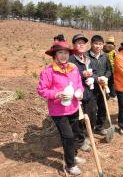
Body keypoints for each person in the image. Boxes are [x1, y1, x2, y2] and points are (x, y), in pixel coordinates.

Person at [37, 41, 86, 175]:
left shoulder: (73, 68)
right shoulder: (48, 72)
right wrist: (57, 94)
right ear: (55, 55)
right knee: (68, 136)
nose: (64, 55)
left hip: (74, 108)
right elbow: (41, 90)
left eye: (66, 52)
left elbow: (79, 84)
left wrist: (80, 92)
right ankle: (70, 165)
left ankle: (73, 155)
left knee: (76, 134)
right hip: (58, 111)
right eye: (60, 52)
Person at [69, 34, 96, 151]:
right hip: (77, 95)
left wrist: (93, 77)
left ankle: (85, 135)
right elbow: (68, 77)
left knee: (89, 115)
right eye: (78, 43)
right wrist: (81, 75)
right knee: (78, 119)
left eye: (83, 43)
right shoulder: (70, 60)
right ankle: (80, 141)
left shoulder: (88, 58)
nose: (81, 44)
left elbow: (95, 71)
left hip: (89, 93)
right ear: (74, 45)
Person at [88, 35, 112, 135]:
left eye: (100, 44)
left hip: (103, 86)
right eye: (96, 44)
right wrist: (96, 78)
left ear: (103, 45)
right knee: (92, 109)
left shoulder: (105, 56)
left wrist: (106, 77)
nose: (98, 46)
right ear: (91, 44)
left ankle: (99, 127)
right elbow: (86, 71)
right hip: (91, 87)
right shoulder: (86, 56)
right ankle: (90, 127)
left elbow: (109, 70)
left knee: (103, 107)